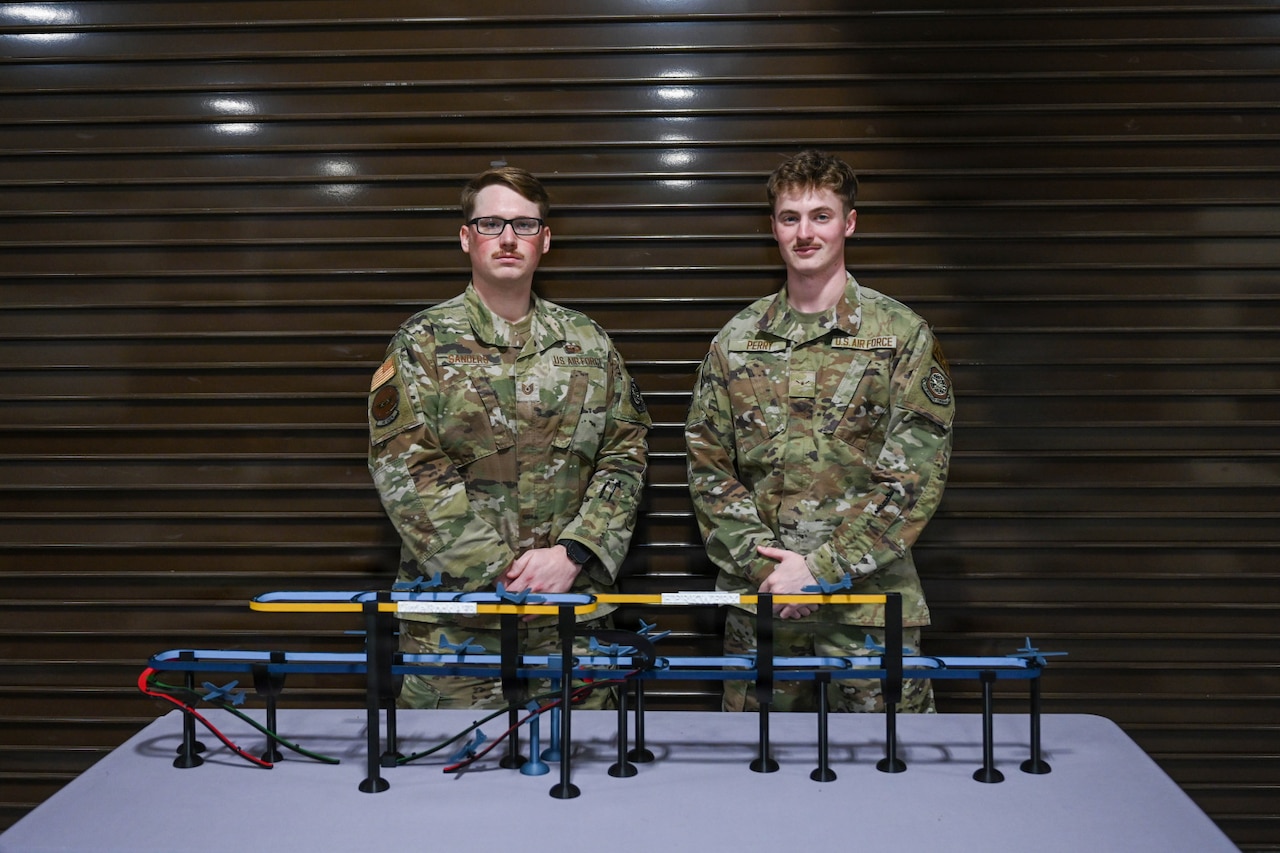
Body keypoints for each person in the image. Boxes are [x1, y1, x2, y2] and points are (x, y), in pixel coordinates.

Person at [368, 166, 650, 709]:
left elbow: (625, 454)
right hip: (458, 625)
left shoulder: (588, 343)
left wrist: (573, 552)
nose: (507, 239)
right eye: (491, 223)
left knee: (583, 780)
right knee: (449, 776)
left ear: (545, 240)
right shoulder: (420, 343)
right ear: (466, 236)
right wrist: (501, 570)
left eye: (524, 225)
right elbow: (406, 469)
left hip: (573, 617)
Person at [685, 150, 954, 713]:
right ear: (774, 228)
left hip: (868, 613)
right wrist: (770, 571)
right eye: (790, 217)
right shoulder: (735, 341)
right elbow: (708, 468)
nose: (805, 233)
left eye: (821, 215)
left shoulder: (901, 335)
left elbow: (915, 477)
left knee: (888, 777)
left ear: (849, 222)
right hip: (762, 610)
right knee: (756, 778)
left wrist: (819, 571)